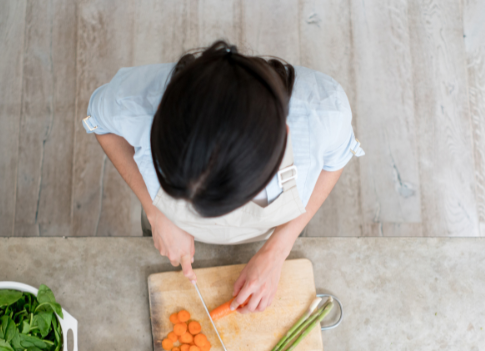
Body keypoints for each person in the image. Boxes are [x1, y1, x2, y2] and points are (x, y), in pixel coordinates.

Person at [83, 40, 364, 313]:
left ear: (283, 137)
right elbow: (101, 124)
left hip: (274, 233)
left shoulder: (324, 113)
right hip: (167, 232)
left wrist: (278, 250)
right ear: (158, 115)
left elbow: (335, 162)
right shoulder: (133, 100)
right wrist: (156, 213)